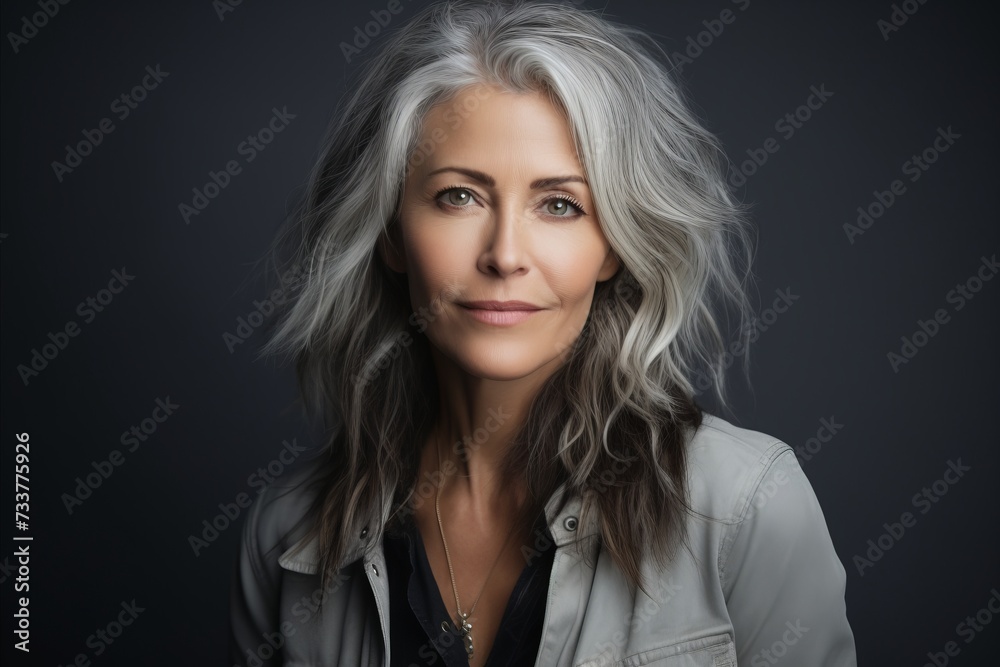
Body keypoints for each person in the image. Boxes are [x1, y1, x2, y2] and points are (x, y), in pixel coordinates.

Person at [229, 1, 858, 665]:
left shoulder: (747, 507)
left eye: (560, 204)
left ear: (614, 242)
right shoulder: (287, 536)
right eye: (458, 196)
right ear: (390, 231)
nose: (505, 254)